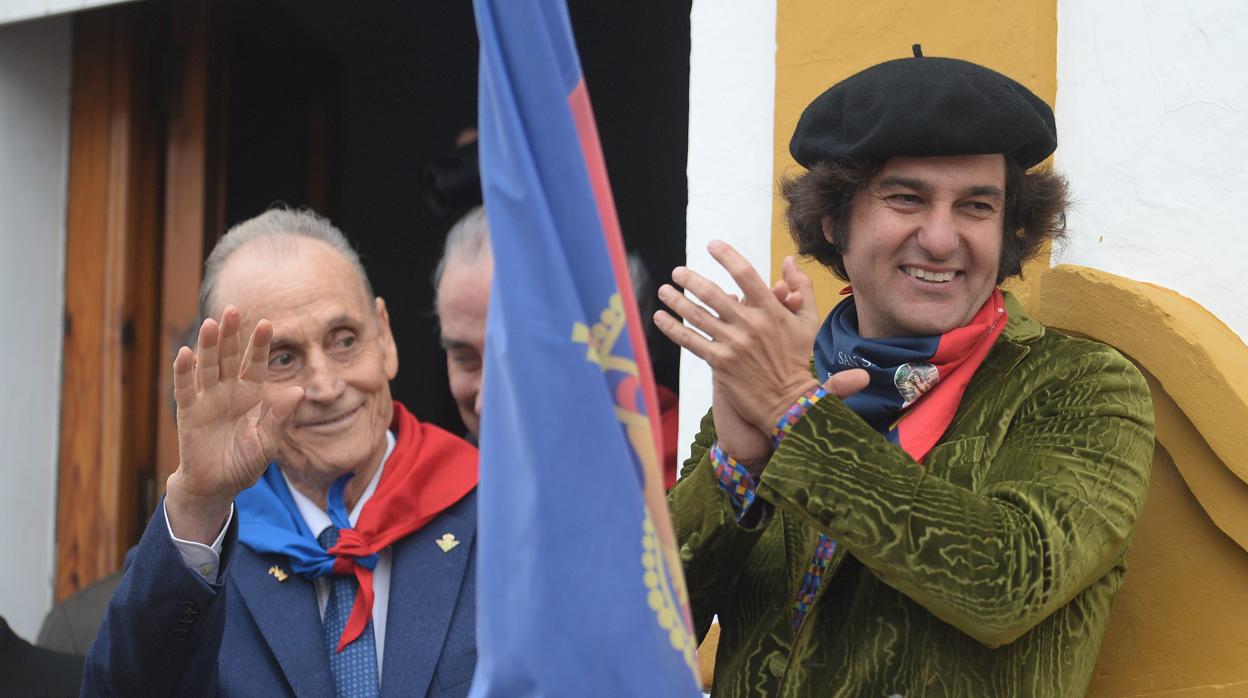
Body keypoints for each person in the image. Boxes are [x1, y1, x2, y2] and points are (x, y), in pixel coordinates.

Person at [658, 48, 1154, 697]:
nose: (942, 239)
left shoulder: (1082, 385)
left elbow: (1005, 583)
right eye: (906, 198)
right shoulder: (776, 383)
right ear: (834, 219)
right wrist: (737, 471)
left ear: (1010, 230)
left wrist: (799, 418)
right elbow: (633, 633)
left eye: (977, 207)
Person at [83, 208, 480, 697]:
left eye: (345, 340)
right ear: (230, 378)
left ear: (385, 335)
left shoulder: (499, 516)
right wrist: (198, 500)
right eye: (284, 358)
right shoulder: (200, 557)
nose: (326, 385)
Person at [433, 206, 681, 485]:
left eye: (517, 361)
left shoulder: (696, 482)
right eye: (465, 360)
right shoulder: (445, 495)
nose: (483, 404)